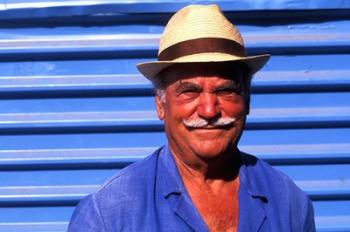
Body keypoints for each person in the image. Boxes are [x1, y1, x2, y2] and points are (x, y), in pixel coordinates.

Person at [68, 4, 315, 232]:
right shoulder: (110, 214)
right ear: (160, 105)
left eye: (225, 90)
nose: (209, 111)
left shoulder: (288, 201)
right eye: (189, 91)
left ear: (247, 101)